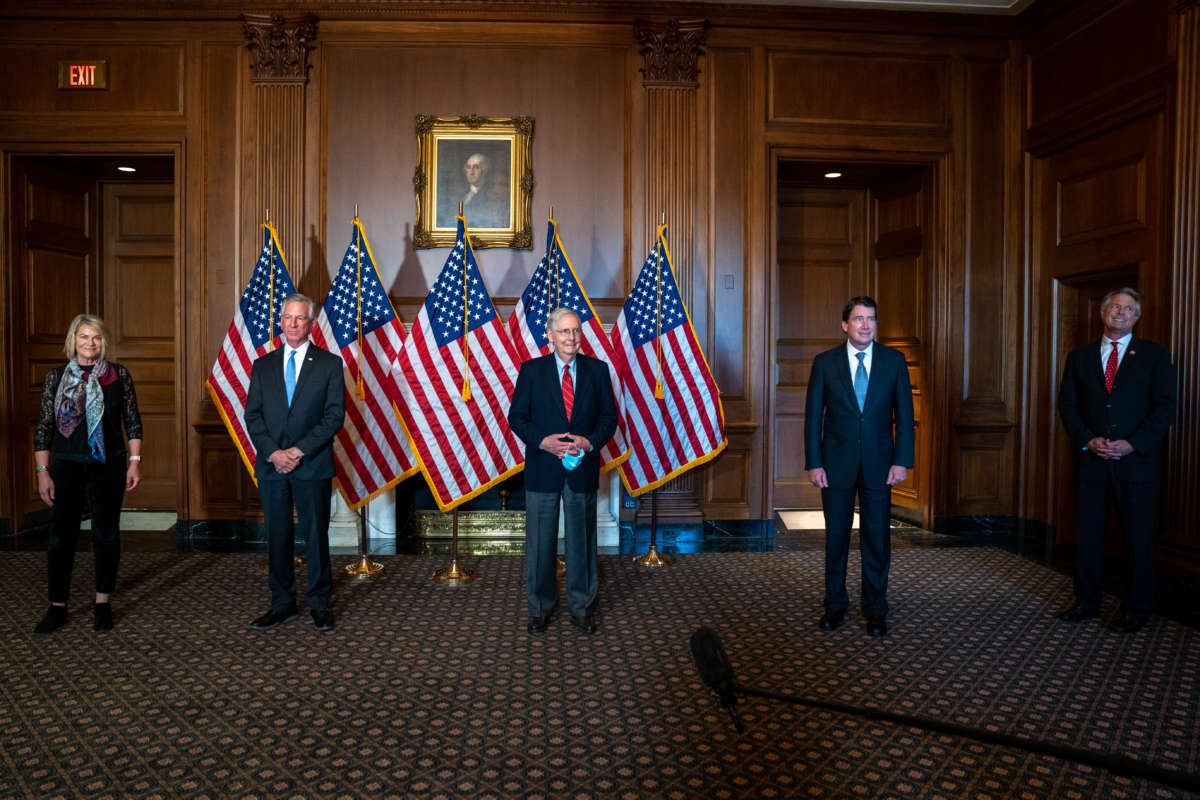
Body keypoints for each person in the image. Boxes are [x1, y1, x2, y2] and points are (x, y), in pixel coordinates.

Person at [1056, 288, 1176, 634]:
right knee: (1088, 535)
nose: (1120, 313)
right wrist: (1086, 439)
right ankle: (1086, 602)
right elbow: (1068, 405)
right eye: (1114, 307)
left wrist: (1132, 444)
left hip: (1135, 462)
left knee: (1137, 537)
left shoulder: (1154, 355)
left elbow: (1165, 406)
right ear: (1103, 312)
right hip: (1092, 460)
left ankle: (1136, 609)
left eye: (1128, 309)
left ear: (1136, 317)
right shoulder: (1079, 357)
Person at [805, 296, 914, 637]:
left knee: (877, 539)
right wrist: (814, 463)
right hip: (835, 466)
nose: (865, 325)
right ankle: (834, 606)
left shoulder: (894, 362)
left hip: (881, 466)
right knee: (836, 539)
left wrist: (902, 461)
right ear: (845, 325)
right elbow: (812, 420)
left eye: (871, 319)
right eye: (858, 319)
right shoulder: (824, 363)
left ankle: (876, 610)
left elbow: (905, 419)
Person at [508, 307, 618, 635]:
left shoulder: (598, 371)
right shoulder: (531, 371)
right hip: (543, 468)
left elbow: (609, 419)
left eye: (576, 331)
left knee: (581, 542)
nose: (572, 338)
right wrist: (543, 441)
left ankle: (581, 606)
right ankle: (540, 608)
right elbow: (517, 417)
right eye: (565, 332)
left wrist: (588, 442)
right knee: (540, 543)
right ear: (551, 336)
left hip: (581, 469)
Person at [33, 314, 142, 634]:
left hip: (109, 464)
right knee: (60, 536)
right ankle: (57, 606)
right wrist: (43, 471)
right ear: (73, 340)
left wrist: (134, 461)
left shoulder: (118, 376)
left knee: (106, 534)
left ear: (102, 341)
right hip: (66, 464)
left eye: (95, 337)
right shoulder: (56, 377)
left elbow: (132, 421)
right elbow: (44, 428)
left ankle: (102, 603)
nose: (90, 343)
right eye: (83, 337)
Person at [244, 293, 345, 632]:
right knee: (278, 535)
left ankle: (319, 602)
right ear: (281, 321)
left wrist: (297, 452)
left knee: (315, 535)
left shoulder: (329, 364)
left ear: (311, 324)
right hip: (272, 465)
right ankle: (282, 604)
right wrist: (274, 453)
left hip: (312, 464)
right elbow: (253, 416)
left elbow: (333, 417)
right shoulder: (263, 365)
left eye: (300, 318)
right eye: (288, 317)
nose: (292, 323)